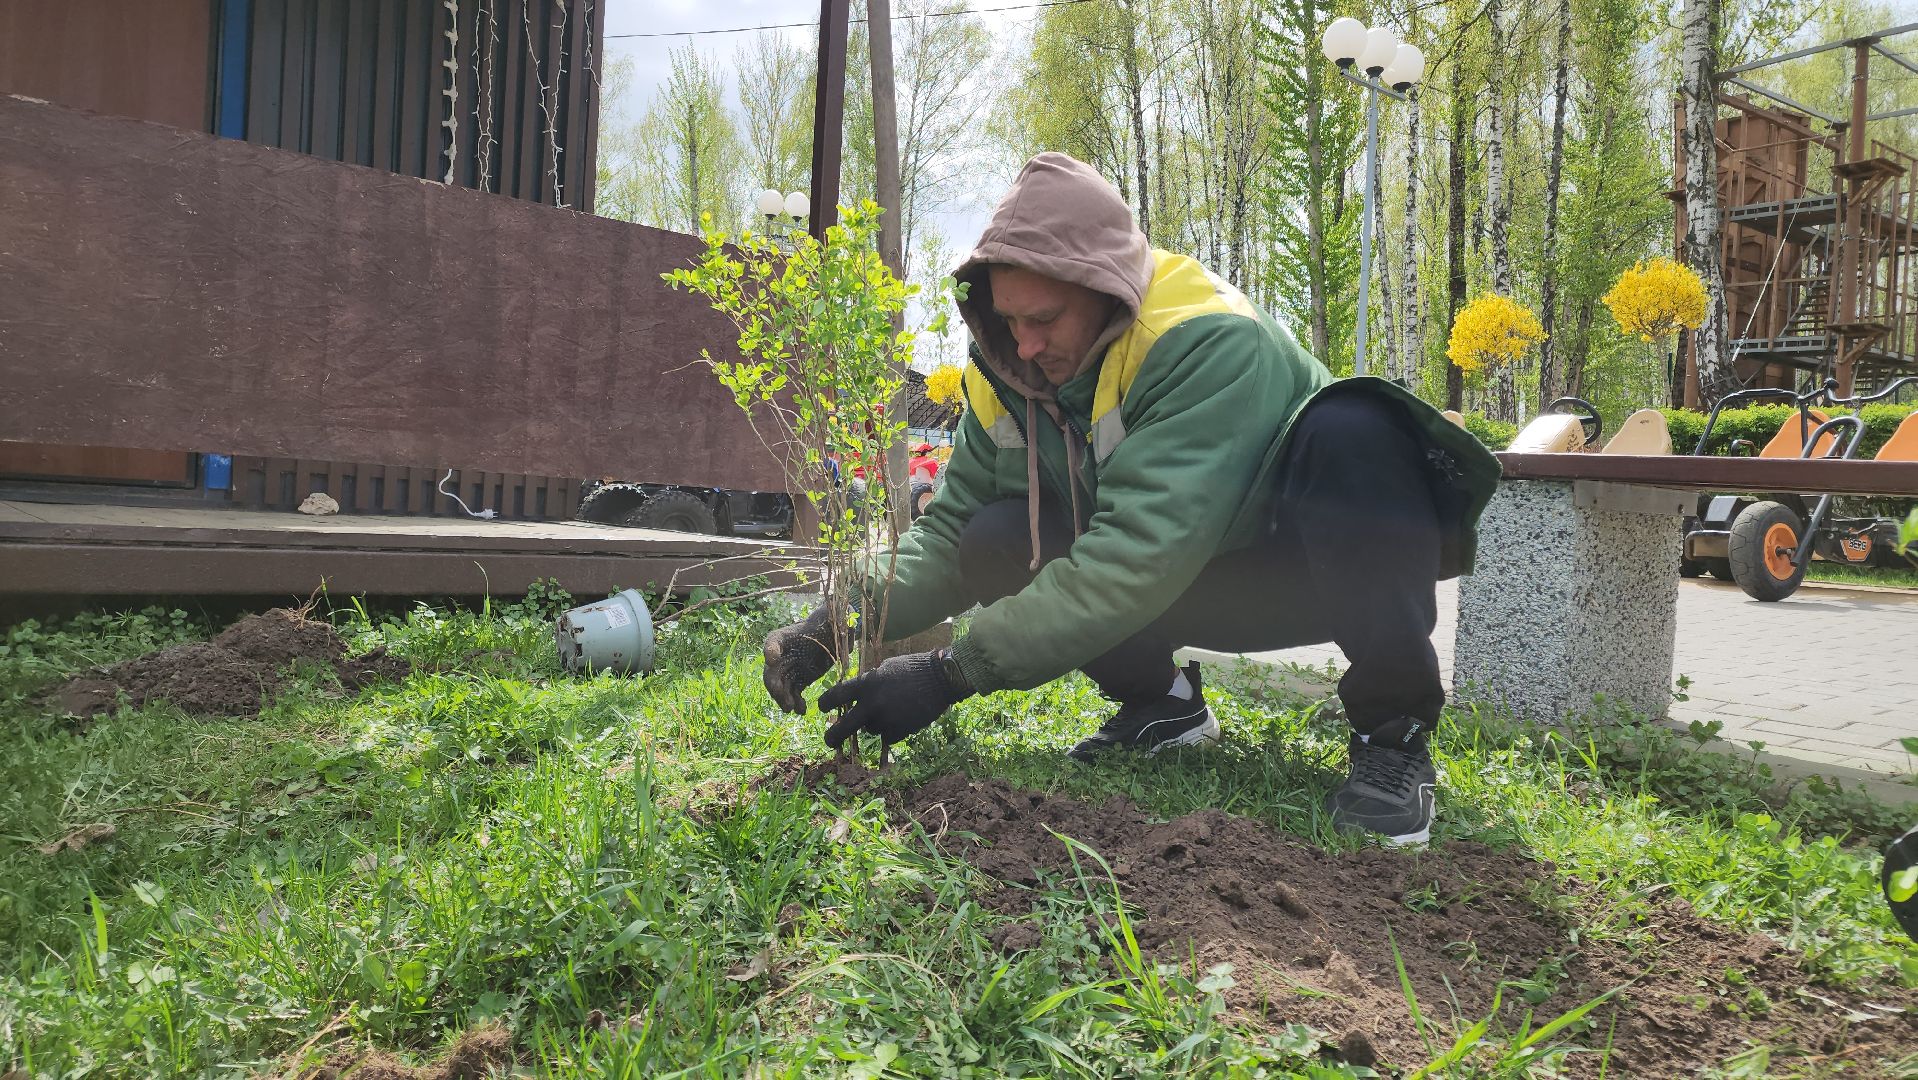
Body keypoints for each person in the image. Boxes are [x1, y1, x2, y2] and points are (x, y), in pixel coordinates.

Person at [761, 152, 1498, 845]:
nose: (1023, 345)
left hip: (1296, 570)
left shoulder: (1202, 339)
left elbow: (1134, 556)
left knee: (1357, 427)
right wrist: (834, 622)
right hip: (1171, 582)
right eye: (1009, 320)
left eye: (1043, 320)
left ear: (1105, 290)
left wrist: (947, 674)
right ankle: (1163, 706)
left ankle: (1393, 735)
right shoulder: (1004, 373)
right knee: (990, 534)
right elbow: (949, 532)